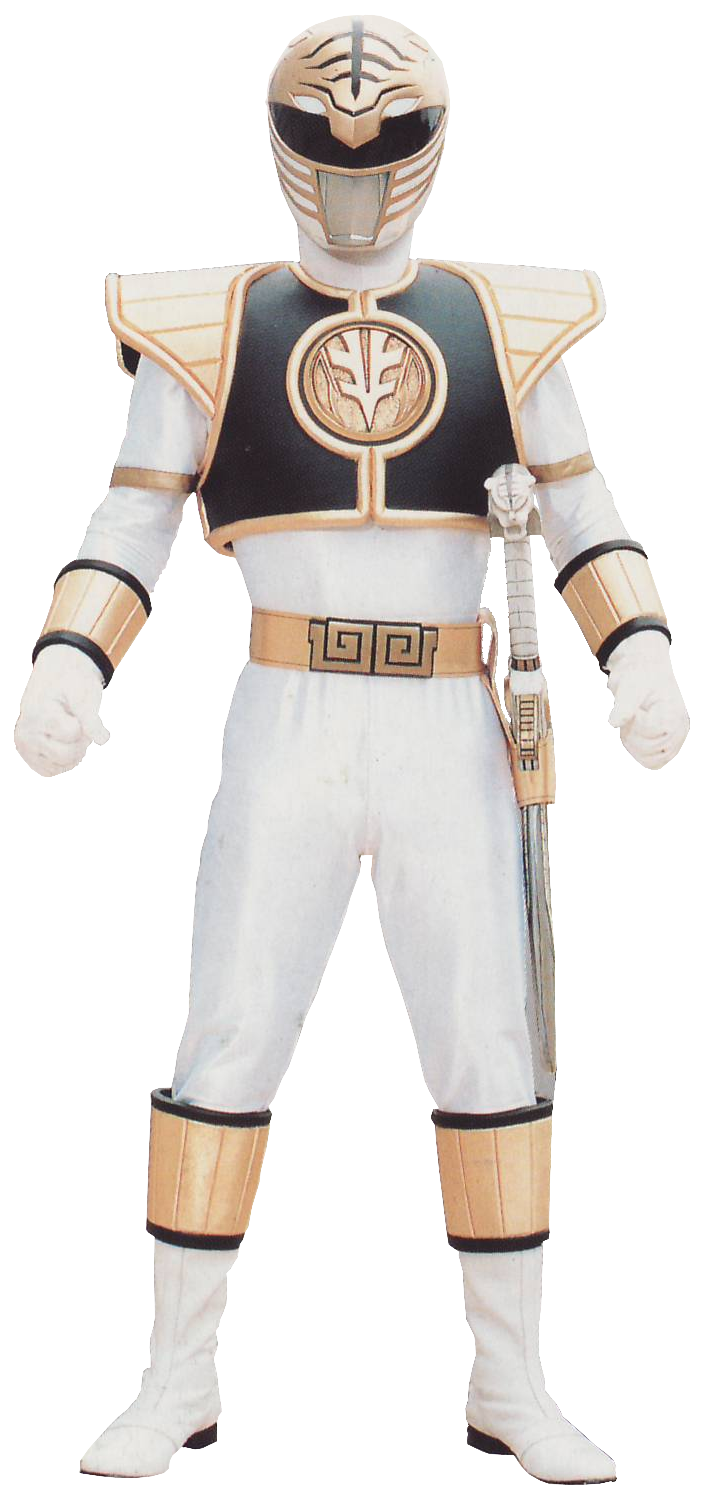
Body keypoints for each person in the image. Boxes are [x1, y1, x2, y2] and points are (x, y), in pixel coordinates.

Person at [15, 20, 689, 1485]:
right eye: (328, 151)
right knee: (228, 1034)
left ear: (428, 154)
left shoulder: (504, 323)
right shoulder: (213, 324)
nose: (356, 176)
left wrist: (640, 647)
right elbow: (130, 521)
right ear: (287, 153)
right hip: (290, 713)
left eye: (384, 153)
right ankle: (175, 1378)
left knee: (489, 1043)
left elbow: (585, 516)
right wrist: (70, 654)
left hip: (452, 715)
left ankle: (511, 1383)